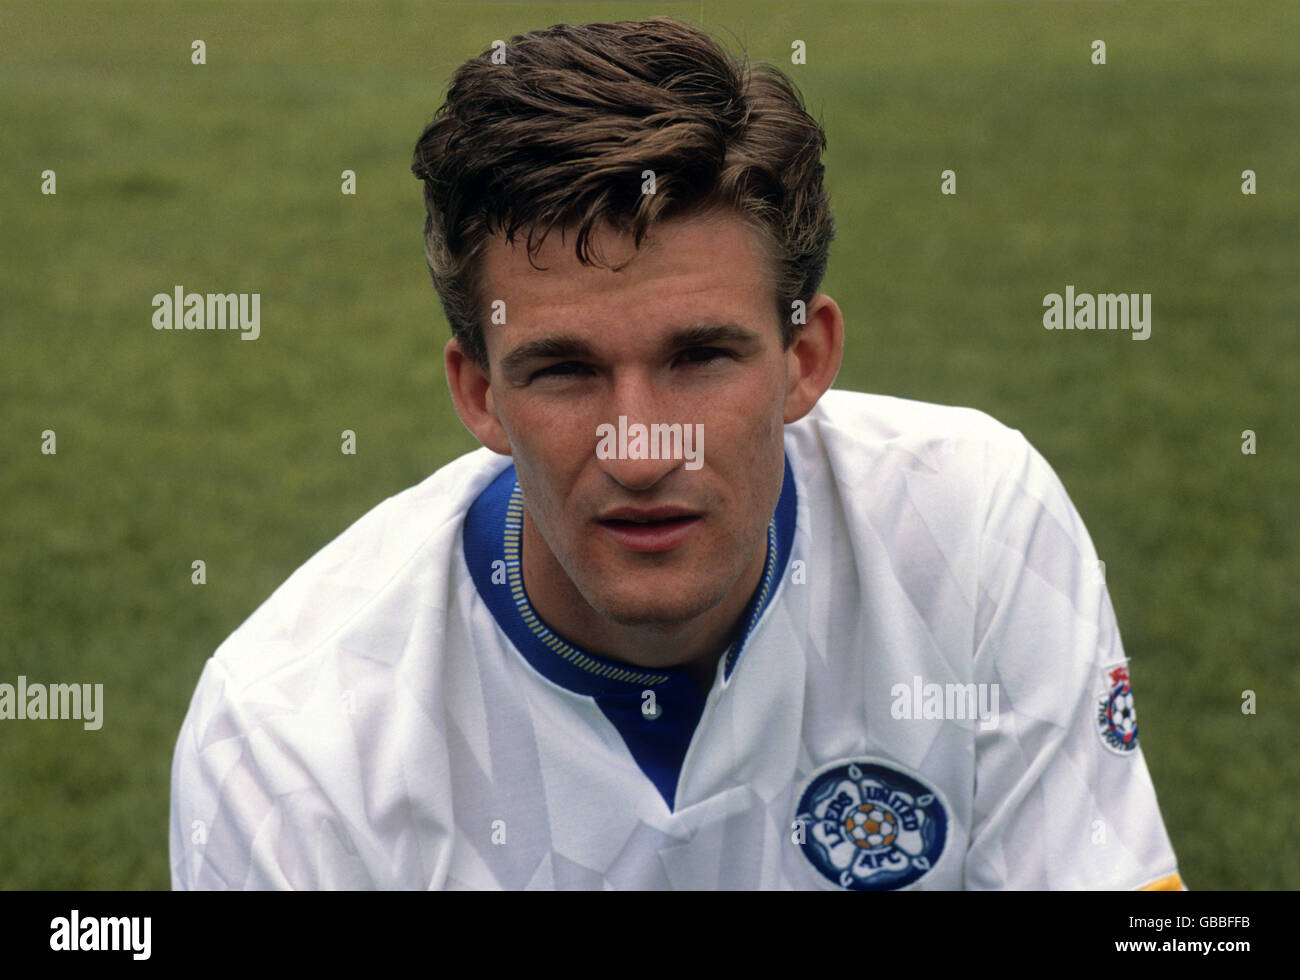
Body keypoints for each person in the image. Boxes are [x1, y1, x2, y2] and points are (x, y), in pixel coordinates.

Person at [169, 17, 1182, 890]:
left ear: (804, 357)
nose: (641, 447)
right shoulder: (288, 732)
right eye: (563, 370)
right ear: (479, 392)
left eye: (699, 356)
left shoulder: (972, 525)